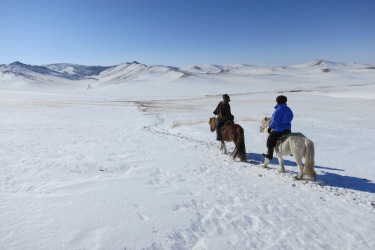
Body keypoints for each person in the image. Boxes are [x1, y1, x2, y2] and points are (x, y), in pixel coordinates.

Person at [262, 95, 294, 160]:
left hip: (279, 130)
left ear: (277, 101)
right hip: (288, 129)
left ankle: (270, 155)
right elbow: (291, 116)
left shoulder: (278, 110)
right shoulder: (288, 109)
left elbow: (275, 122)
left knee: (270, 140)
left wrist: (270, 127)